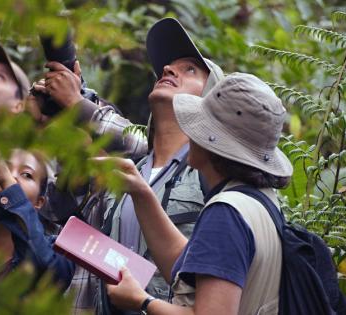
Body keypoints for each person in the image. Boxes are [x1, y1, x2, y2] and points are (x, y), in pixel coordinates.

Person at [43, 18, 224, 314]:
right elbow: (55, 215)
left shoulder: (212, 176)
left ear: (212, 102)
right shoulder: (120, 170)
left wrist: (77, 102)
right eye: (168, 67)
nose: (167, 69)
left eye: (189, 69)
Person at [101, 73, 293, 315]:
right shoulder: (259, 201)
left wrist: (142, 300)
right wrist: (141, 193)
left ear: (214, 143)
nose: (190, 134)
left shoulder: (226, 214)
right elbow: (188, 265)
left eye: (199, 126)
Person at [0, 148, 75, 288]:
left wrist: (9, 186)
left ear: (39, 203)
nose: (11, 177)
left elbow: (46, 271)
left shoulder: (57, 251)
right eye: (4, 168)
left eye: (27, 175)